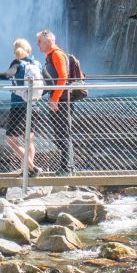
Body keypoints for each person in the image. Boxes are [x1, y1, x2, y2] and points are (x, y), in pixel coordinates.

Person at [0, 38, 45, 175]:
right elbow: (48, 81)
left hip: (19, 106)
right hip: (34, 106)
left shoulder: (18, 63)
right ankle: (28, 169)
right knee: (29, 140)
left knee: (11, 139)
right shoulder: (37, 64)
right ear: (29, 50)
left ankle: (31, 168)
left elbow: (7, 74)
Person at [37, 29, 79, 174]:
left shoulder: (57, 55)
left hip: (62, 100)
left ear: (49, 41)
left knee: (63, 133)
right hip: (58, 99)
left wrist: (54, 99)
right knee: (60, 133)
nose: (37, 45)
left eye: (40, 42)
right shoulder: (51, 56)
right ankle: (67, 166)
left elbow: (63, 77)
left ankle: (67, 168)